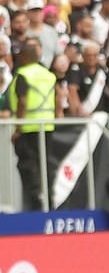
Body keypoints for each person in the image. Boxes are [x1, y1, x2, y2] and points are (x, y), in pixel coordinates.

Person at [10, 42, 59, 211]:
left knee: (28, 166)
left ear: (23, 57)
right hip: (47, 126)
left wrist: (18, 127)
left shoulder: (23, 74)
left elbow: (22, 101)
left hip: (28, 127)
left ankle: (36, 202)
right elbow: (58, 97)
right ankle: (49, 199)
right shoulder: (48, 74)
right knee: (46, 165)